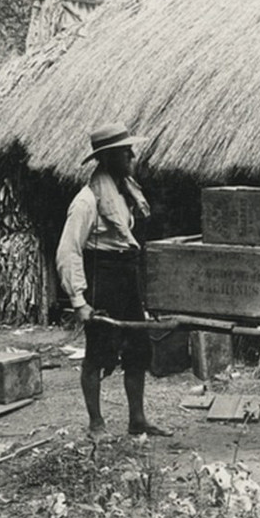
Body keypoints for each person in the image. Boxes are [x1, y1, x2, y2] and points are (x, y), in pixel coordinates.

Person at [56, 121, 173, 438]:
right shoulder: (87, 201)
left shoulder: (126, 192)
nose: (132, 156)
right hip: (103, 280)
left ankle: (137, 420)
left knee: (138, 350)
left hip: (126, 277)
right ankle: (96, 423)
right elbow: (68, 252)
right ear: (107, 158)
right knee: (98, 353)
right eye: (125, 152)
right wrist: (80, 301)